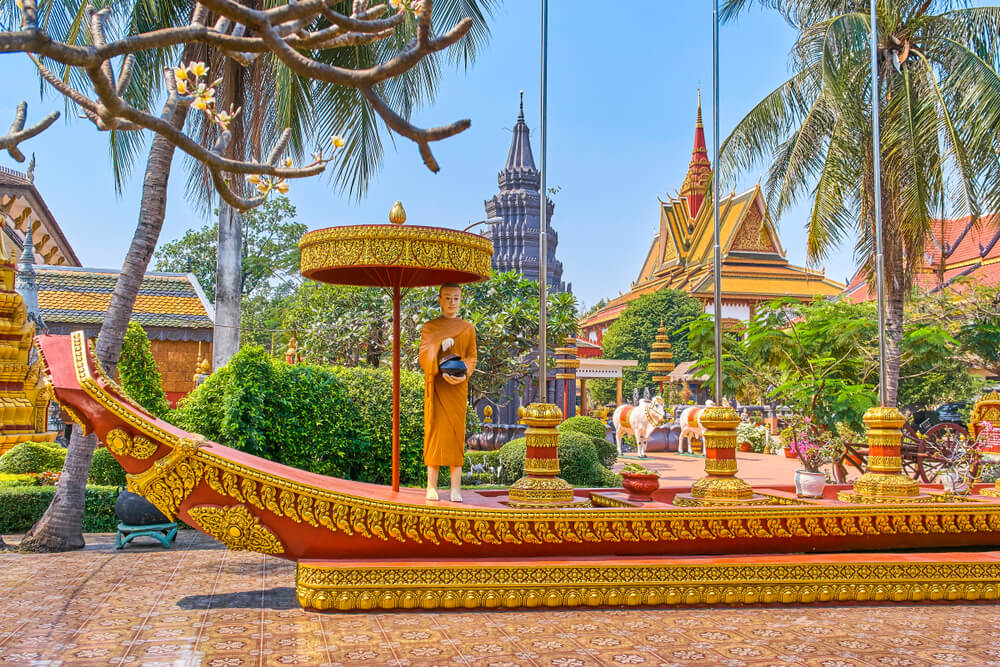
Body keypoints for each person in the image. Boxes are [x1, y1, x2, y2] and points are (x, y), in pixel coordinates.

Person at [418, 283, 477, 502]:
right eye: (448, 298)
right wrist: (439, 345)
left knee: (455, 435)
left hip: (457, 388)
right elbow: (423, 356)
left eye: (456, 298)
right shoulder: (430, 327)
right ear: (440, 300)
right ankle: (431, 486)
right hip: (437, 387)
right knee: (434, 434)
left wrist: (464, 374)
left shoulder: (468, 328)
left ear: (461, 300)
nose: (452, 302)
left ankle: (455, 488)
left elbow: (471, 356)